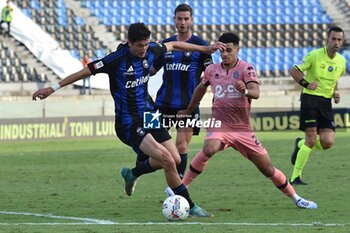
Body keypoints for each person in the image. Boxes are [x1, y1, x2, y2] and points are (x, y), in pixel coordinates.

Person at [32, 22, 225, 217]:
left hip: (149, 114)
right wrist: (52, 88)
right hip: (128, 121)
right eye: (139, 45)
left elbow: (174, 45)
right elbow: (84, 71)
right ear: (129, 43)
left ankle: (132, 173)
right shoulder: (116, 60)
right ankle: (190, 206)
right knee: (166, 159)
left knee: (174, 159)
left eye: (146, 45)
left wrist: (205, 49)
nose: (144, 49)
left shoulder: (151, 50)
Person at [179, 32, 317, 210]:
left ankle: (296, 198)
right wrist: (189, 110)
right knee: (209, 148)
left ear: (237, 49)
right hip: (220, 122)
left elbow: (256, 93)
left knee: (267, 169)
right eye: (222, 51)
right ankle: (181, 188)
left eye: (229, 50)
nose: (225, 54)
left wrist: (244, 90)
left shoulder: (246, 69)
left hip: (242, 128)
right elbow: (200, 88)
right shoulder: (212, 70)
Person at [136, 3, 214, 179]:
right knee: (145, 140)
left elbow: (209, 74)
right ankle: (135, 173)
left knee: (181, 146)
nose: (183, 22)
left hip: (188, 104)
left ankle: (176, 189)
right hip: (162, 103)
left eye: (186, 19)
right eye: (180, 18)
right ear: (174, 20)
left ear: (191, 20)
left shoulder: (201, 46)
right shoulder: (166, 45)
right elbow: (153, 70)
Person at [289, 26, 346, 185]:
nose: (336, 42)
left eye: (339, 40)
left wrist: (335, 93)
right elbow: (294, 70)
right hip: (310, 100)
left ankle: (300, 144)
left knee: (327, 142)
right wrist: (305, 84)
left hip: (326, 103)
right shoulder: (314, 55)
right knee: (311, 139)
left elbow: (334, 81)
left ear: (342, 42)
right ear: (327, 40)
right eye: (333, 39)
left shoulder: (341, 61)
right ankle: (295, 177)